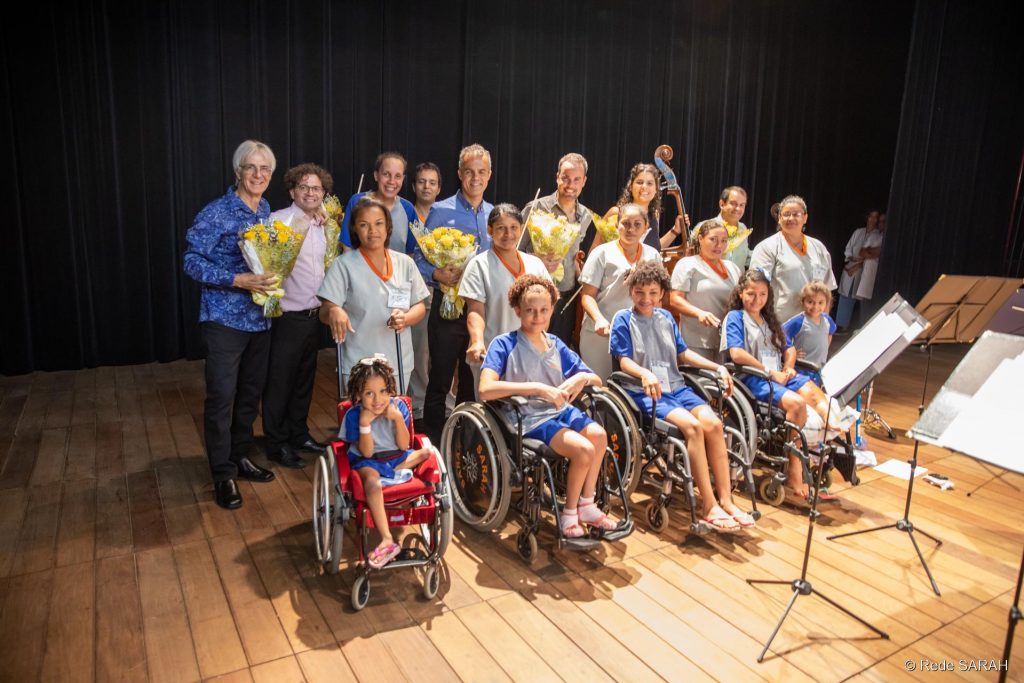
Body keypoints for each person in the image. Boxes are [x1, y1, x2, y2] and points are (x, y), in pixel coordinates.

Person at [611, 262, 754, 530]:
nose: (646, 298)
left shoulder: (666, 319)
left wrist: (717, 366)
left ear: (662, 293)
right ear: (631, 291)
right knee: (692, 427)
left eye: (653, 293)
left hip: (676, 387)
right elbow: (623, 361)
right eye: (640, 292)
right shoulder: (622, 319)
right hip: (645, 391)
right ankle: (708, 505)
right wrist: (644, 373)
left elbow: (683, 354)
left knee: (714, 424)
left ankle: (727, 499)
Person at [479, 275, 617, 537]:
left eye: (544, 310)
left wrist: (580, 377)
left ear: (552, 309)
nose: (537, 316)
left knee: (599, 436)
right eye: (530, 310)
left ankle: (586, 504)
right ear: (518, 310)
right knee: (584, 449)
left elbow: (596, 379)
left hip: (560, 411)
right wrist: (537, 388)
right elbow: (485, 389)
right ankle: (569, 514)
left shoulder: (556, 344)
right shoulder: (504, 344)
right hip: (530, 418)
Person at [184, 139, 279, 510]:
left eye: (264, 169)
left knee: (248, 395)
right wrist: (237, 280)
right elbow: (191, 261)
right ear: (238, 171)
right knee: (221, 397)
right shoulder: (217, 212)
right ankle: (222, 474)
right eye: (251, 168)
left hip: (260, 320)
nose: (258, 175)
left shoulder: (265, 209)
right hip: (224, 318)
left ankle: (240, 455)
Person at [721, 270, 836, 502]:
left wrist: (789, 367)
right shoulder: (735, 318)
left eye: (762, 294)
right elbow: (736, 353)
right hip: (753, 377)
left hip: (778, 374)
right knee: (797, 403)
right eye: (751, 294)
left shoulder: (769, 319)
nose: (757, 299)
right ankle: (795, 467)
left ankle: (832, 431)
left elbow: (789, 348)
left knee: (817, 395)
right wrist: (769, 372)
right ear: (741, 293)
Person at [413, 143, 494, 441]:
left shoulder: (494, 214)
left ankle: (466, 438)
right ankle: (434, 442)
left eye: (482, 172)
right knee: (441, 379)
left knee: (473, 380)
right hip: (447, 309)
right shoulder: (439, 210)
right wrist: (436, 273)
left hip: (481, 311)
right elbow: (419, 257)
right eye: (469, 172)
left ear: (489, 175)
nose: (475, 178)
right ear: (459, 174)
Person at [262, 163, 335, 469]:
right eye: (303, 187)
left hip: (313, 315)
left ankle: (298, 433)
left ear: (323, 193)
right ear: (292, 190)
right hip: (287, 316)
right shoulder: (278, 221)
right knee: (280, 382)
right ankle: (276, 443)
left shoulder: (324, 224)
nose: (310, 193)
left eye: (316, 188)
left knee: (305, 380)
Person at [318, 197, 429, 394]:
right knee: (359, 422)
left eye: (379, 223)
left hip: (397, 361)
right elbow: (324, 312)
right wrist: (334, 310)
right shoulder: (343, 265)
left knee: (394, 421)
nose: (372, 231)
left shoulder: (405, 263)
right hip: (357, 363)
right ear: (354, 230)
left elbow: (419, 306)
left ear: (388, 227)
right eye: (364, 225)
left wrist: (406, 318)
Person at [342, 357, 434, 568]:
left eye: (383, 391)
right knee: (372, 482)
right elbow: (366, 452)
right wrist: (365, 423)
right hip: (368, 460)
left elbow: (403, 446)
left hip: (396, 457)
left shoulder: (398, 407)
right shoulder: (355, 415)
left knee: (426, 452)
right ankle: (386, 538)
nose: (378, 400)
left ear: (390, 389)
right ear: (358, 395)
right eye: (369, 393)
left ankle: (392, 472)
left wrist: (397, 419)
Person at [462, 204, 551, 374]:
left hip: (531, 354)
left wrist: (541, 340)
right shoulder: (479, 265)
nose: (508, 234)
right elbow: (475, 310)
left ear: (522, 228)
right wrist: (477, 341)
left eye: (513, 228)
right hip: (492, 355)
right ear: (490, 230)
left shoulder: (535, 264)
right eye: (501, 228)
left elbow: (548, 306)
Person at [519, 153, 593, 346]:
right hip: (534, 295)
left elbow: (575, 255)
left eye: (577, 179)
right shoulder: (536, 207)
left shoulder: (585, 216)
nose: (570, 184)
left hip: (565, 297)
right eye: (566, 178)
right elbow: (514, 250)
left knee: (556, 354)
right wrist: (536, 259)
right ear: (557, 177)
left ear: (584, 181)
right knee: (531, 348)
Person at [579, 203, 661, 379]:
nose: (630, 229)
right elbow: (587, 296)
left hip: (638, 333)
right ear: (616, 225)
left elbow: (658, 298)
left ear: (646, 227)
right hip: (601, 333)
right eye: (625, 223)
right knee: (601, 387)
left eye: (637, 224)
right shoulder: (601, 253)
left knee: (632, 390)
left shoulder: (653, 255)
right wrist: (598, 319)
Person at [749, 194, 837, 322]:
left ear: (805, 218)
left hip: (812, 325)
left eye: (796, 214)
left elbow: (827, 290)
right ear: (779, 218)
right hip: (778, 326)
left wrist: (826, 325)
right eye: (786, 214)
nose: (791, 218)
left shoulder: (818, 248)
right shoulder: (767, 247)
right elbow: (756, 287)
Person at [669, 220, 743, 360]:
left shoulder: (733, 268)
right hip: (697, 341)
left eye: (723, 241)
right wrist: (699, 313)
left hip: (728, 341)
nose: (718, 245)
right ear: (700, 239)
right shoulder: (688, 264)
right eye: (713, 239)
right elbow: (675, 299)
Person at [407, 161, 443, 418]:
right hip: (415, 294)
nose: (426, 187)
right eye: (422, 181)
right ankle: (418, 403)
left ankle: (444, 400)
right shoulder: (406, 214)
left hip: (444, 292)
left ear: (439, 188)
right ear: (413, 186)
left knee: (441, 352)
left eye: (432, 182)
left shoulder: (443, 215)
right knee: (419, 351)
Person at [593, 163, 689, 251]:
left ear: (656, 189)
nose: (644, 187)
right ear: (630, 187)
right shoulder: (616, 213)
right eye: (639, 182)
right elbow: (594, 249)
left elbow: (653, 249)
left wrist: (675, 230)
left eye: (650, 183)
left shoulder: (655, 214)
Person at [340, 152, 418, 254]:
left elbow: (411, 253)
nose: (391, 181)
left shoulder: (409, 210)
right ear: (376, 175)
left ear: (403, 179)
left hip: (396, 270)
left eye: (398, 176)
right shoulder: (357, 202)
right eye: (386, 174)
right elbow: (347, 247)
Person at [836, 210, 884, 331]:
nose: (872, 220)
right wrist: (851, 257)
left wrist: (858, 264)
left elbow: (871, 255)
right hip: (851, 265)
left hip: (863, 270)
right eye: (871, 217)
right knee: (846, 295)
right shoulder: (859, 232)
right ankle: (842, 326)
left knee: (862, 300)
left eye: (875, 218)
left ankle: (861, 328)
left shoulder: (878, 235)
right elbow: (849, 248)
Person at [783, 281, 837, 370]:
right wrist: (791, 353)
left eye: (820, 303)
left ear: (826, 303)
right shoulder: (799, 321)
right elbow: (781, 334)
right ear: (803, 301)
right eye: (810, 302)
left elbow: (830, 333)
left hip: (820, 367)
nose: (815, 307)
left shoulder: (827, 320)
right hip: (802, 368)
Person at [715, 186, 752, 270]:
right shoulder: (706, 226)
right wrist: (677, 232)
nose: (738, 208)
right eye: (733, 204)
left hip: (738, 282)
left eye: (742, 205)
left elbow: (745, 257)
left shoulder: (743, 228)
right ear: (722, 204)